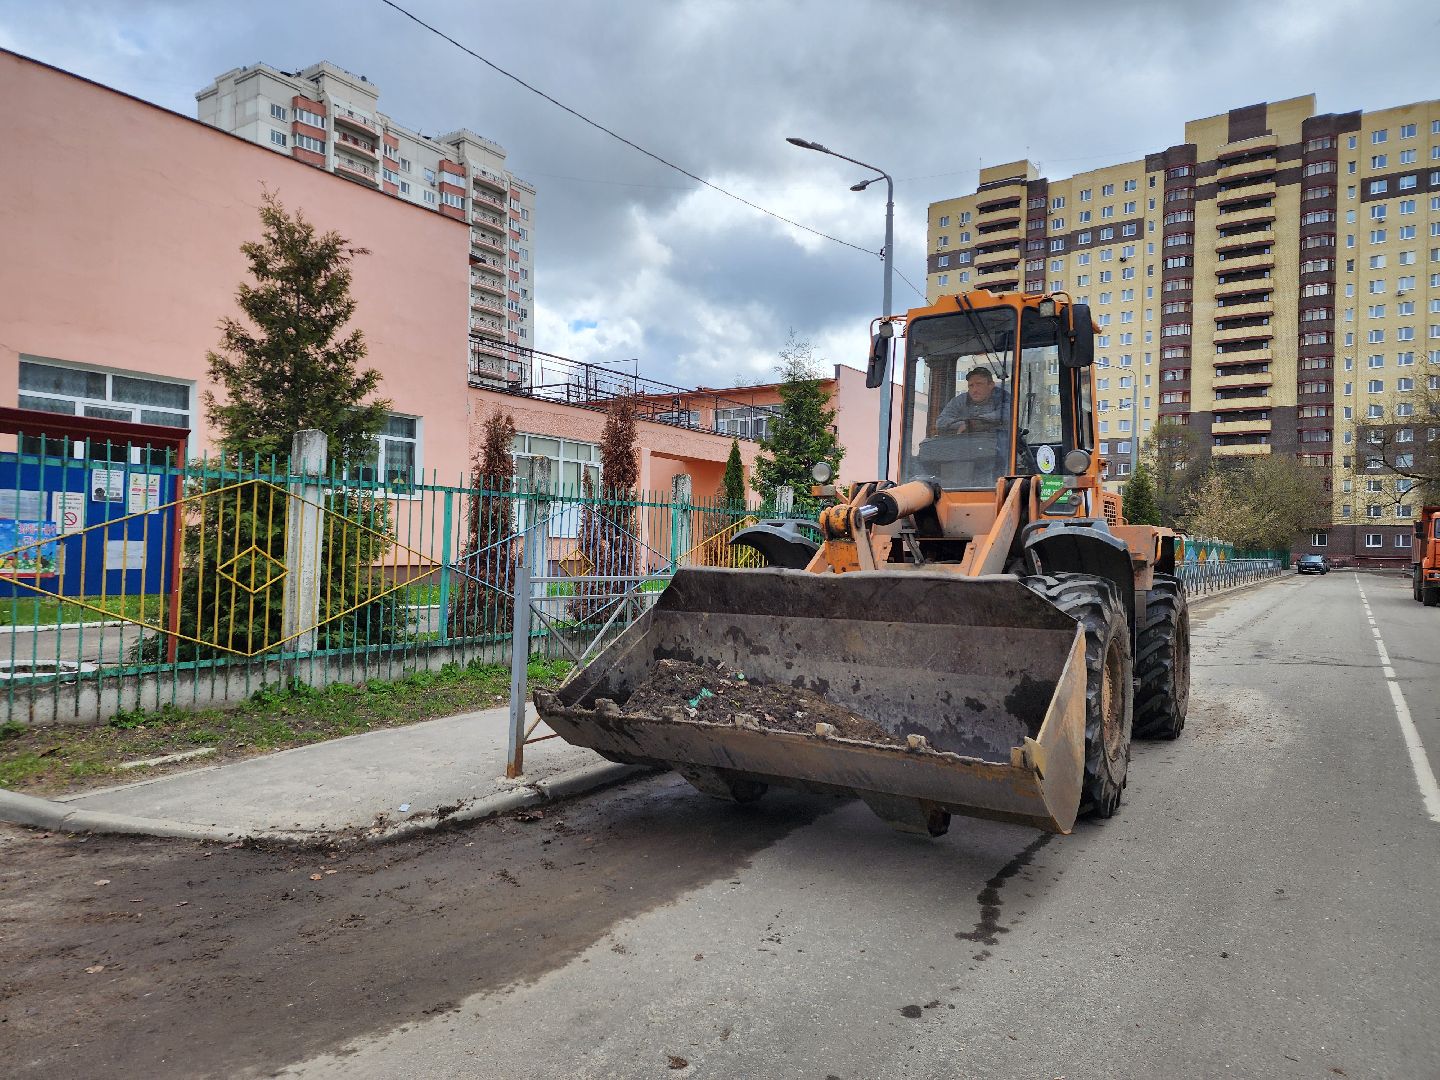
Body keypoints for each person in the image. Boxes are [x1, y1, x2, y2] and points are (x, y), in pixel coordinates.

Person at [935, 367, 1010, 434]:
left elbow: (1007, 414)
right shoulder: (960, 400)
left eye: (979, 384)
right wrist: (964, 424)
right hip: (966, 442)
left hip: (996, 442)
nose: (974, 390)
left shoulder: (1003, 397)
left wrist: (975, 422)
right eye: (971, 385)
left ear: (991, 385)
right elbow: (940, 422)